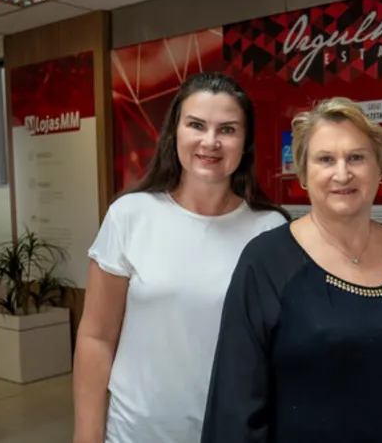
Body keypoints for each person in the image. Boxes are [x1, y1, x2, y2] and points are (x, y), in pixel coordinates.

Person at [200, 97, 382, 443]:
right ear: (304, 175)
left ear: (380, 169)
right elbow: (235, 405)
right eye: (325, 159)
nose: (342, 173)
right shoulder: (266, 261)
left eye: (356, 157)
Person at [72, 72, 290, 443]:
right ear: (175, 133)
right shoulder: (130, 215)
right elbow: (96, 337)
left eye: (227, 129)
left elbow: (279, 351)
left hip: (233, 431)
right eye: (196, 125)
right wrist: (86, 435)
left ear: (245, 141)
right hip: (136, 432)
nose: (211, 141)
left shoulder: (270, 229)